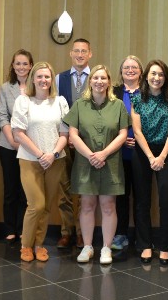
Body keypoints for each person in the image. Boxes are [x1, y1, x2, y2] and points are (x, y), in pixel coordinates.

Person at [65, 65, 130, 265]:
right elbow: (73, 134)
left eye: (103, 78)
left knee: (109, 206)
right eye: (96, 78)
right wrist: (90, 155)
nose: (99, 81)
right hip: (85, 163)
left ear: (109, 82)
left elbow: (123, 134)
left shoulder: (117, 105)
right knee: (87, 205)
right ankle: (87, 247)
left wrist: (103, 154)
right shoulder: (79, 105)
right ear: (90, 81)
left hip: (110, 162)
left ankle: (106, 248)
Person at [11, 62, 69, 262]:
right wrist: (40, 155)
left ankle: (39, 244)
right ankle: (26, 245)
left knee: (46, 207)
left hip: (55, 160)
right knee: (36, 204)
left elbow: (64, 133)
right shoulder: (23, 101)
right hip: (30, 159)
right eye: (40, 76)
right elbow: (18, 133)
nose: (43, 80)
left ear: (52, 79)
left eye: (47, 77)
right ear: (33, 79)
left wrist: (52, 154)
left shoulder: (60, 102)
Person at [131, 59, 168, 265]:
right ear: (146, 76)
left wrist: (161, 157)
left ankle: (164, 246)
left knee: (166, 200)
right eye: (153, 73)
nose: (156, 78)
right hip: (143, 152)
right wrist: (151, 156)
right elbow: (137, 130)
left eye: (160, 74)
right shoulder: (137, 99)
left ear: (165, 77)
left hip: (166, 153)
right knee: (142, 201)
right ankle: (144, 245)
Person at [55, 38, 91, 249]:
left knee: (85, 188)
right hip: (65, 141)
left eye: (83, 51)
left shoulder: (96, 78)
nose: (79, 54)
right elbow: (57, 110)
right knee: (64, 187)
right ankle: (66, 231)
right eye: (76, 51)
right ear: (70, 53)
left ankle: (81, 232)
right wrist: (66, 135)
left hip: (88, 143)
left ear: (90, 54)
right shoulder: (59, 79)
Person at [0, 49, 33, 245]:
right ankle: (10, 228)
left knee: (26, 189)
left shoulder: (37, 86)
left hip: (30, 146)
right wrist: (12, 139)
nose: (21, 67)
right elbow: (2, 115)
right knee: (11, 188)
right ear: (12, 66)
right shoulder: (5, 88)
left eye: (25, 64)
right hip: (8, 145)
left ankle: (23, 229)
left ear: (30, 66)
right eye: (17, 63)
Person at [111, 55, 142, 251]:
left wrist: (139, 139)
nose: (130, 70)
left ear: (141, 71)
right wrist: (121, 140)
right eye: (126, 67)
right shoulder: (113, 92)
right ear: (121, 71)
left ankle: (142, 236)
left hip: (141, 153)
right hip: (118, 154)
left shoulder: (148, 92)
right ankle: (120, 234)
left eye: (134, 67)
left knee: (141, 196)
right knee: (120, 196)